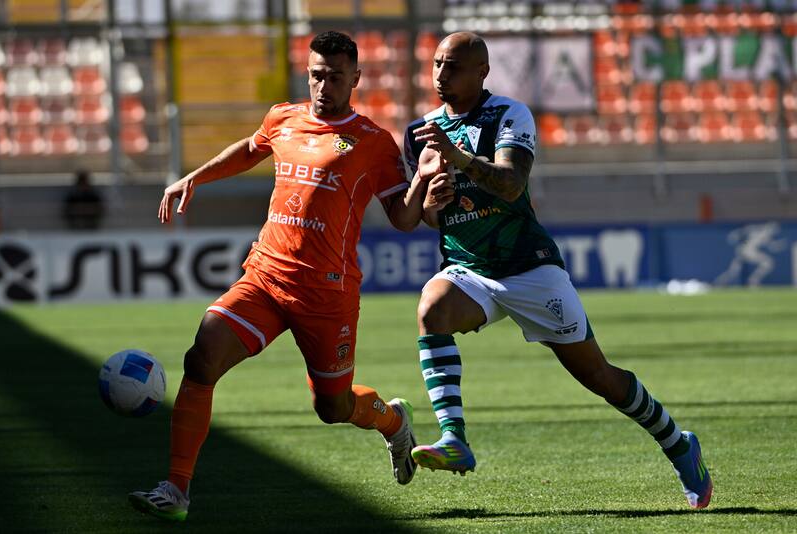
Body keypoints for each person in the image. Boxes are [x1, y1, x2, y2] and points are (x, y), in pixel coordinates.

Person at [129, 31, 430, 521]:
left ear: (356, 78)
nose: (324, 85)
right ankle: (176, 490)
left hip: (326, 296)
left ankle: (393, 421)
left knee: (331, 408)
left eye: (335, 76)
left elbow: (402, 217)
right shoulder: (283, 118)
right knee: (202, 358)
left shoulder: (375, 142)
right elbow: (251, 149)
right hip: (265, 278)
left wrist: (426, 187)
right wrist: (194, 177)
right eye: (316, 75)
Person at [403, 32, 712, 509]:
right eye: (438, 65)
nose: (441, 76)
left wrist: (460, 158)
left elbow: (510, 184)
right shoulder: (419, 131)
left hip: (530, 268)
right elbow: (428, 215)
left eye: (455, 67)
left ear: (483, 72)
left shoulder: (509, 114)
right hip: (469, 269)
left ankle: (678, 444)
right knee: (432, 309)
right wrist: (432, 201)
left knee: (600, 377)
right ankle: (454, 439)